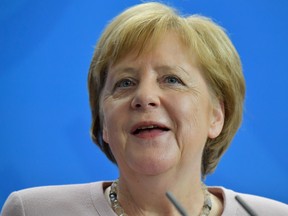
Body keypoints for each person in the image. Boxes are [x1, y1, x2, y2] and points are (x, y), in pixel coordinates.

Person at [1, 2, 287, 216]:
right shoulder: (32, 210)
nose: (145, 96)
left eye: (171, 80)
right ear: (103, 123)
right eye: (125, 82)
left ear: (216, 116)